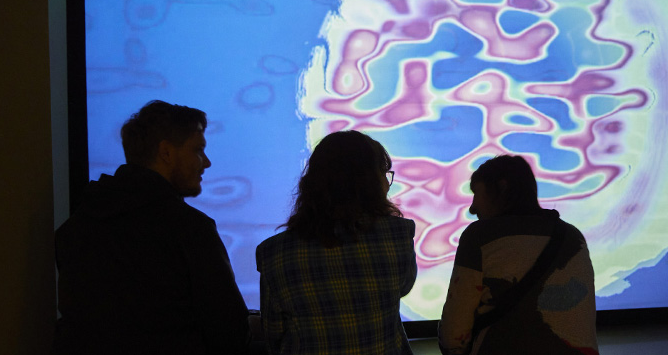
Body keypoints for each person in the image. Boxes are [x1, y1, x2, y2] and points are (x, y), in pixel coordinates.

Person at [54, 100, 250, 355]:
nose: (207, 162)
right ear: (166, 152)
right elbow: (230, 332)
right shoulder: (190, 229)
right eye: (198, 150)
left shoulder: (75, 228)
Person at [255, 130, 416, 355]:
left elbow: (273, 332)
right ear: (371, 182)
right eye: (384, 174)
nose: (387, 185)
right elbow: (404, 287)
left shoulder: (274, 253)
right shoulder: (398, 235)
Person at [439, 155, 598, 355]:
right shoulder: (573, 236)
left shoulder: (479, 237)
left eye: (476, 193)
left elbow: (454, 335)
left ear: (502, 187)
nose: (472, 208)